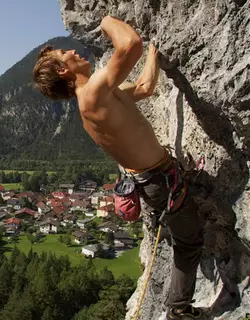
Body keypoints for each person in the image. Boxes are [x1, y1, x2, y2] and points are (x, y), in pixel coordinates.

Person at [32, 15, 204, 320]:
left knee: (184, 238)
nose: (74, 51)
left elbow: (144, 87)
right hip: (159, 179)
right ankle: (179, 310)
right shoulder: (92, 94)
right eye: (65, 54)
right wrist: (105, 19)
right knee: (188, 242)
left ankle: (178, 306)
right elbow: (129, 44)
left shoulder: (100, 95)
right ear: (63, 70)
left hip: (157, 178)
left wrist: (154, 54)